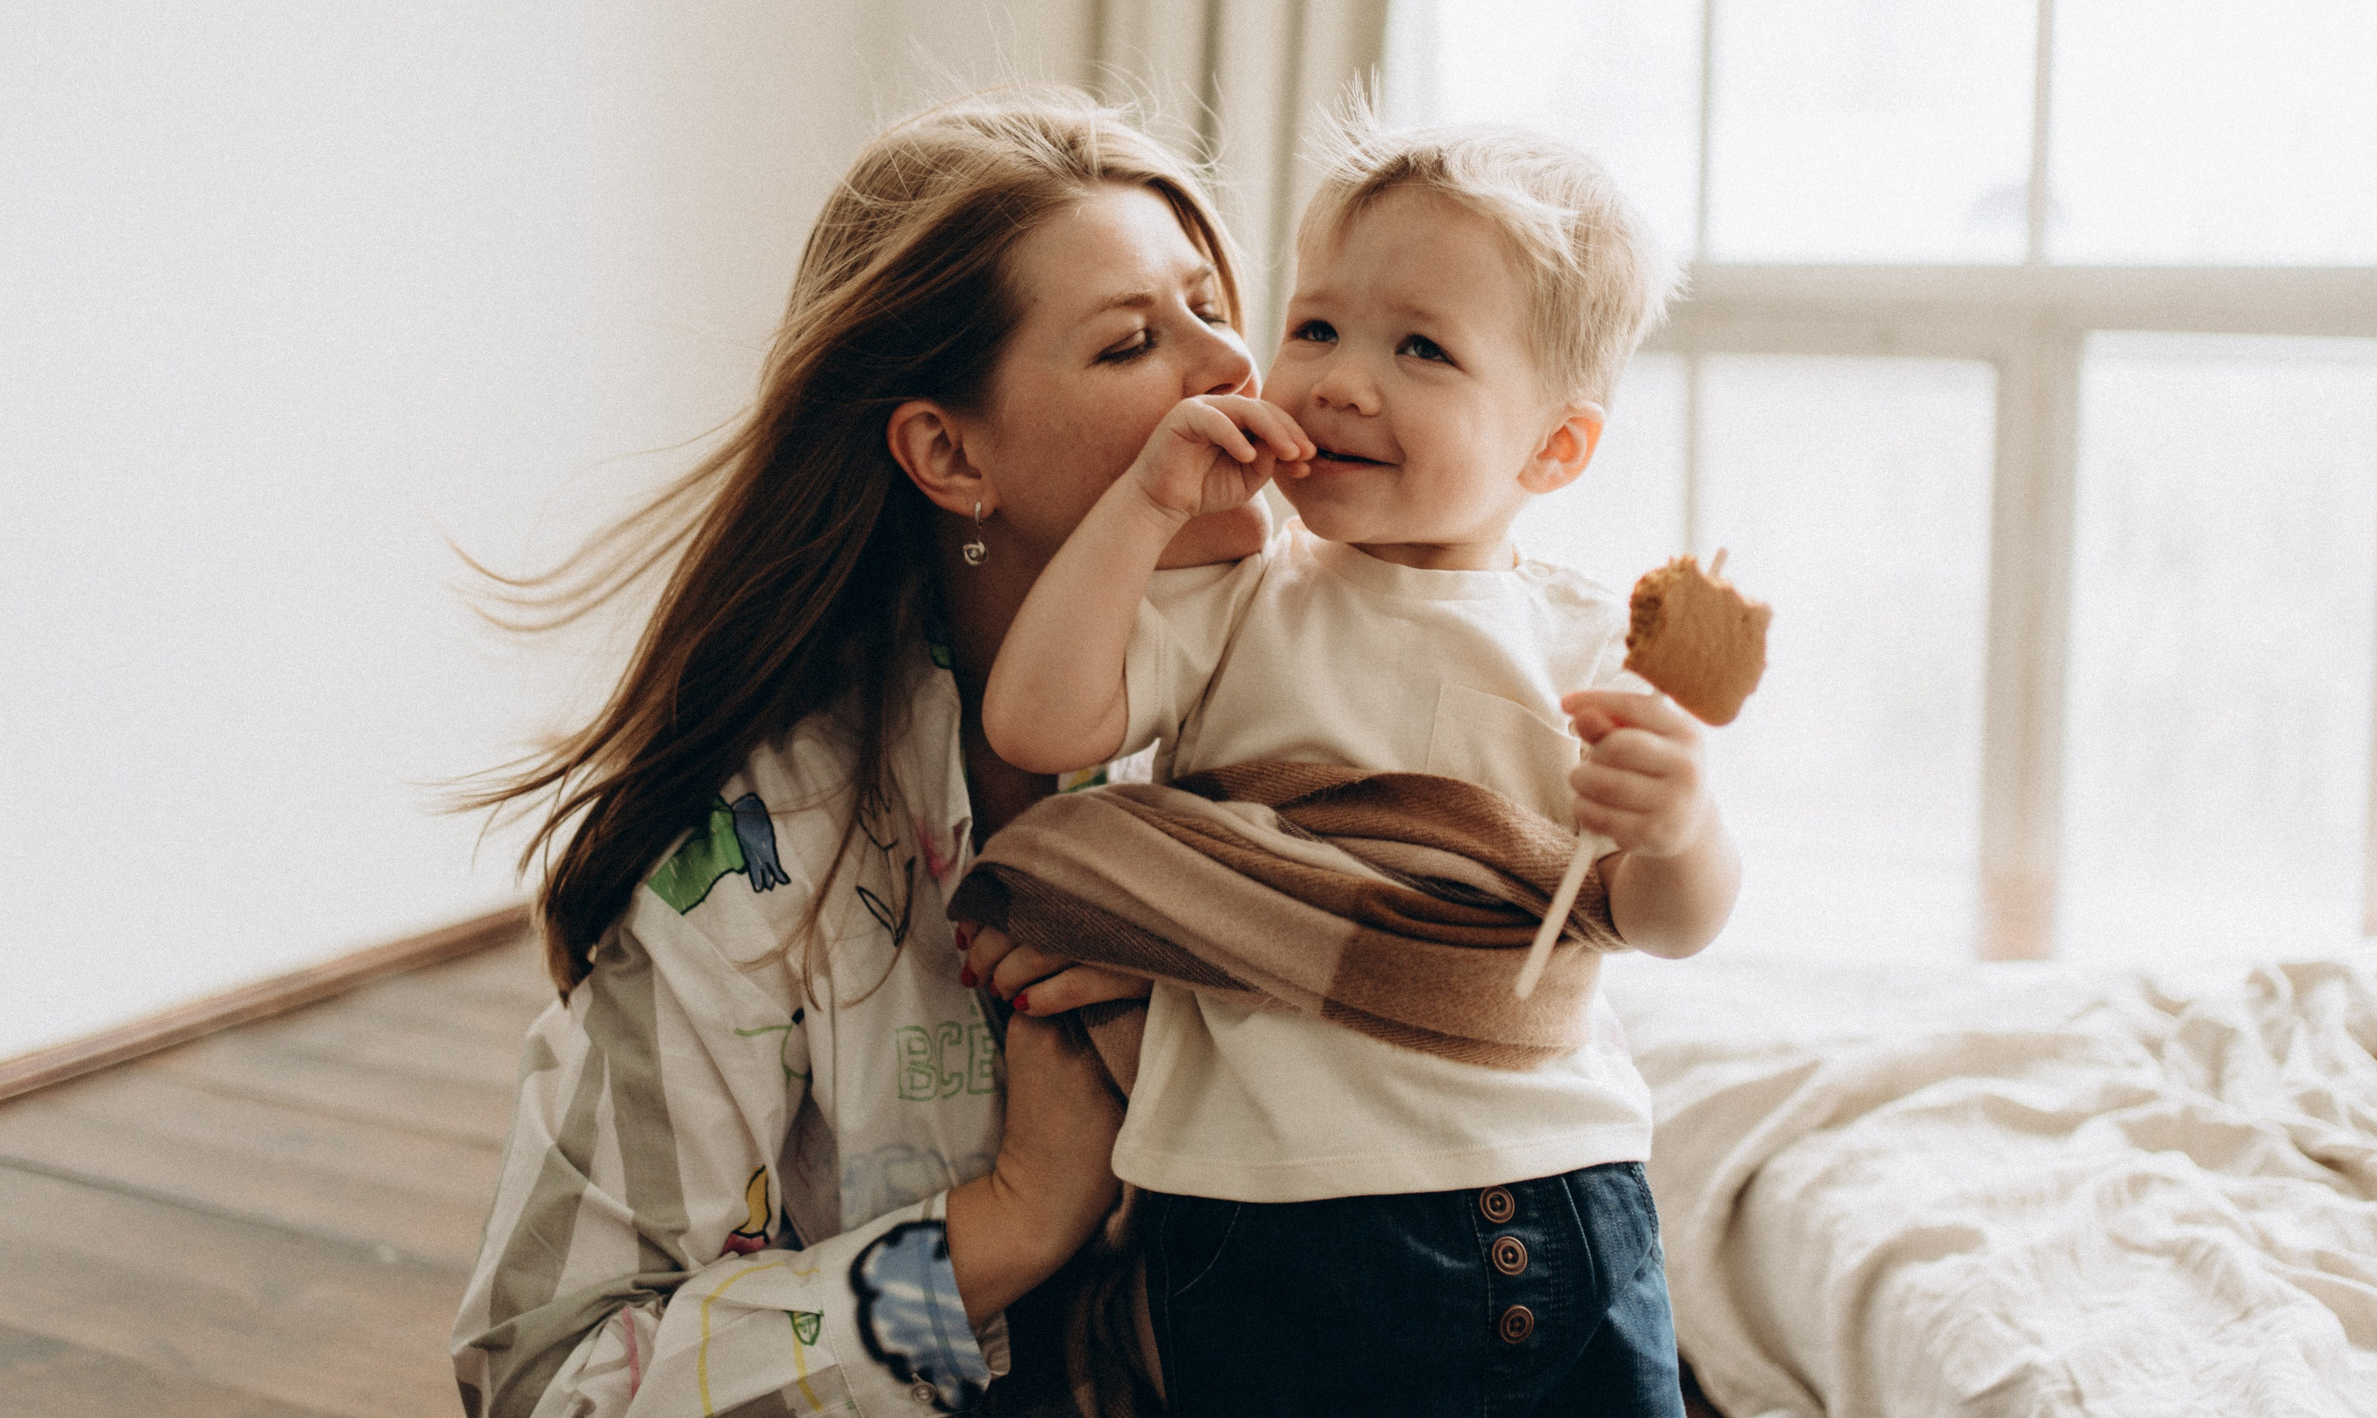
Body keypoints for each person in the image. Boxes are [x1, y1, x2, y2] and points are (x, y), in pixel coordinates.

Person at [449, 86, 1274, 1417]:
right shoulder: (755, 853)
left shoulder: (1302, 733)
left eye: (1211, 306)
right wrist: (1007, 1224)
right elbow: (548, 1383)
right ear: (950, 453)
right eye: (1132, 343)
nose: (1233, 369)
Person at [976, 111, 1742, 1415]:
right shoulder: (1236, 605)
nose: (1337, 380)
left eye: (1422, 349)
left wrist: (1681, 827)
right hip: (1241, 1216)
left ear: (1553, 448)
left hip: (1521, 1189)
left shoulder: (1587, 644)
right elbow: (1038, 727)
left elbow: (1662, 923)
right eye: (1316, 327)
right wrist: (1150, 505)